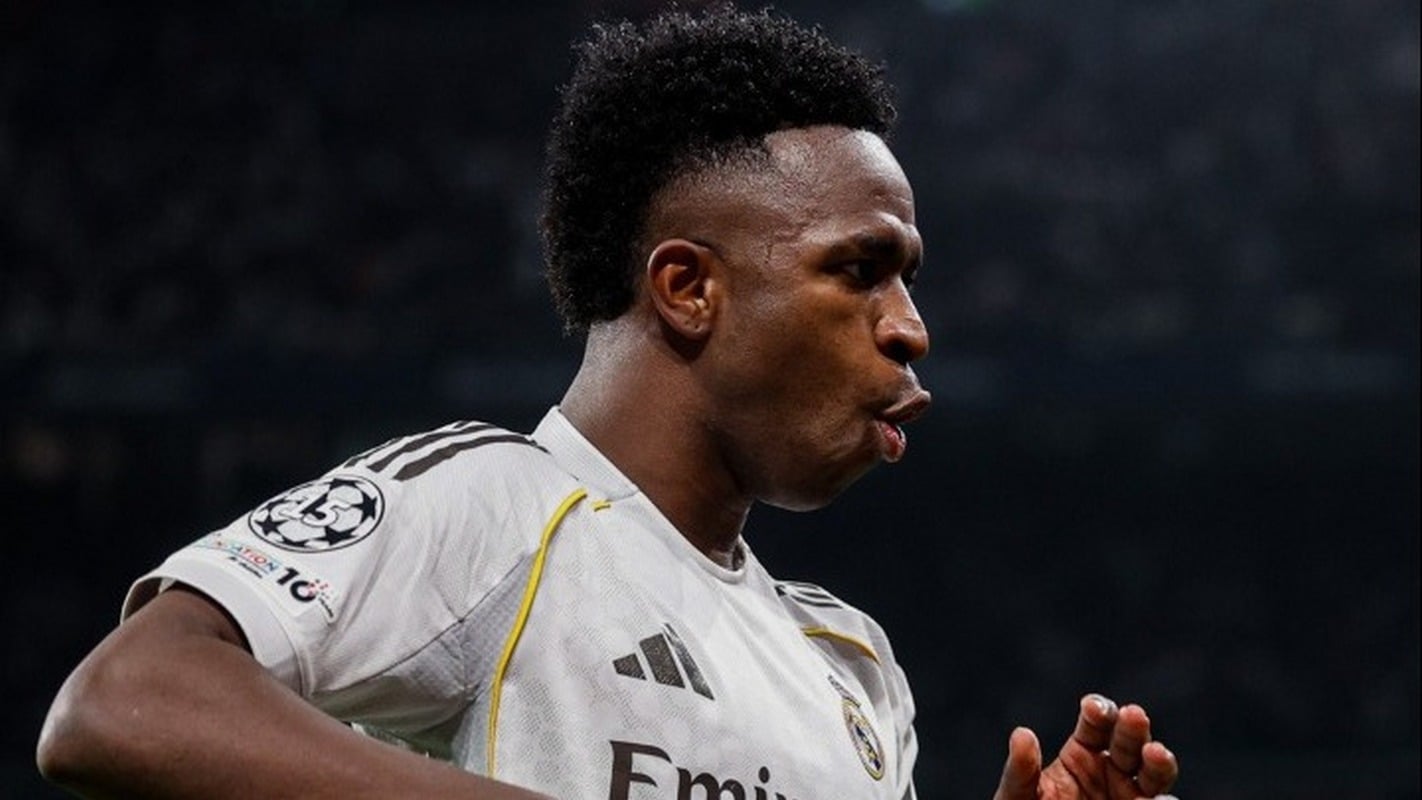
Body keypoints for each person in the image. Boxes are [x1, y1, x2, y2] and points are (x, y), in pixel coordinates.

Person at [37, 7, 1179, 799]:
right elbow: (126, 700)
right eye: (860, 269)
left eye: (909, 281)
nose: (911, 329)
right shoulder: (496, 505)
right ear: (688, 287)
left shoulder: (852, 662)